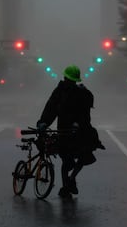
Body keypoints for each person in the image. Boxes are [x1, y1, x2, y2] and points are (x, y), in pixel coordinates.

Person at [37, 65, 104, 198]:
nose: (70, 82)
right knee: (67, 160)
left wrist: (86, 92)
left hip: (79, 131)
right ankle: (66, 185)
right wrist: (43, 122)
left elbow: (86, 108)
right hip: (66, 131)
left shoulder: (81, 93)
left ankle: (70, 181)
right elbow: (51, 108)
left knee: (82, 155)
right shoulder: (61, 91)